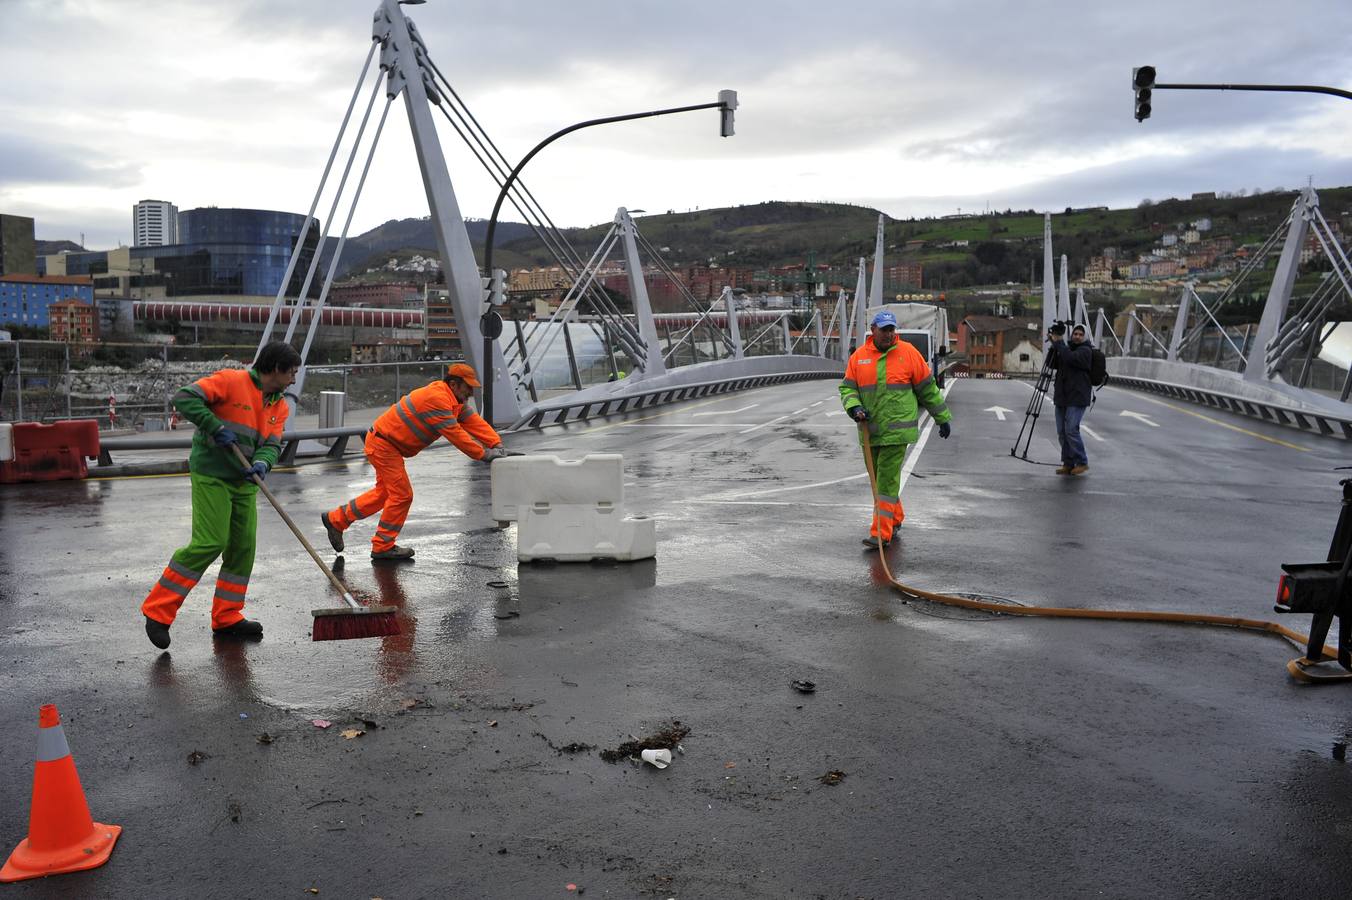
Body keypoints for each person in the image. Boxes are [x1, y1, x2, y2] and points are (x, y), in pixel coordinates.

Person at [141, 341, 302, 649]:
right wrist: (214, 426)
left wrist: (262, 463)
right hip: (212, 474)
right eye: (291, 372)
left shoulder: (279, 405)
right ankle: (158, 611)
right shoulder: (231, 381)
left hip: (244, 481)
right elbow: (185, 398)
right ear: (276, 368)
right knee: (210, 541)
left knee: (243, 547)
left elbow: (272, 444)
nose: (294, 379)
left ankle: (227, 616)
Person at [321, 362, 506, 561]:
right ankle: (382, 546)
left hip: (385, 444)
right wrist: (484, 454)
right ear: (453, 384)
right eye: (467, 387)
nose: (470, 392)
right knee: (402, 495)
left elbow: (473, 421)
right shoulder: (438, 400)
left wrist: (496, 443)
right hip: (384, 445)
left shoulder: (454, 402)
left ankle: (336, 520)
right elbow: (457, 435)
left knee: (384, 494)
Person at [840, 310, 953, 548]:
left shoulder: (908, 354)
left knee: (886, 483)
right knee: (880, 481)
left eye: (892, 329)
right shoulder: (859, 358)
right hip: (870, 432)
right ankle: (896, 517)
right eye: (885, 329)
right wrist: (855, 408)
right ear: (873, 330)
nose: (889, 334)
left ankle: (881, 533)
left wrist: (941, 417)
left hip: (897, 434)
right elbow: (848, 389)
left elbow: (927, 389)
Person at [1046, 323, 1093, 476]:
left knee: (1071, 430)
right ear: (1071, 335)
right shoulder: (1064, 348)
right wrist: (1054, 345)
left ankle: (1082, 462)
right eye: (1075, 334)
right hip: (1062, 396)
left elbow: (1070, 358)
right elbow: (1050, 364)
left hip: (1077, 397)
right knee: (1061, 432)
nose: (1077, 336)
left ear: (1084, 337)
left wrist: (1059, 343)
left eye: (1080, 334)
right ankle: (1068, 463)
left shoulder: (1086, 351)